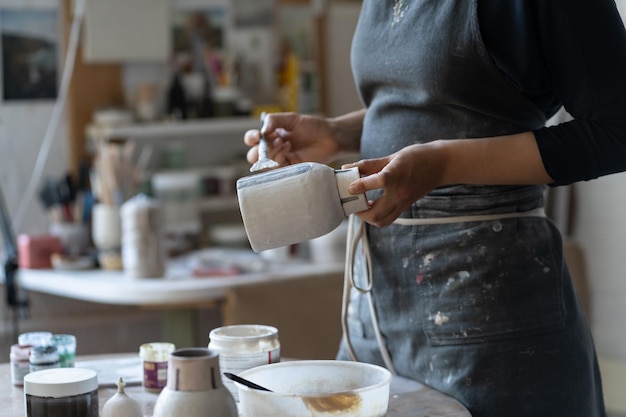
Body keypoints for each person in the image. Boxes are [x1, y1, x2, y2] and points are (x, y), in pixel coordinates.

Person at [243, 1, 626, 416]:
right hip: (374, 307)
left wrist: (443, 163)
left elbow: (617, 130)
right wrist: (339, 132)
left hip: (491, 316)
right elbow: (442, 95)